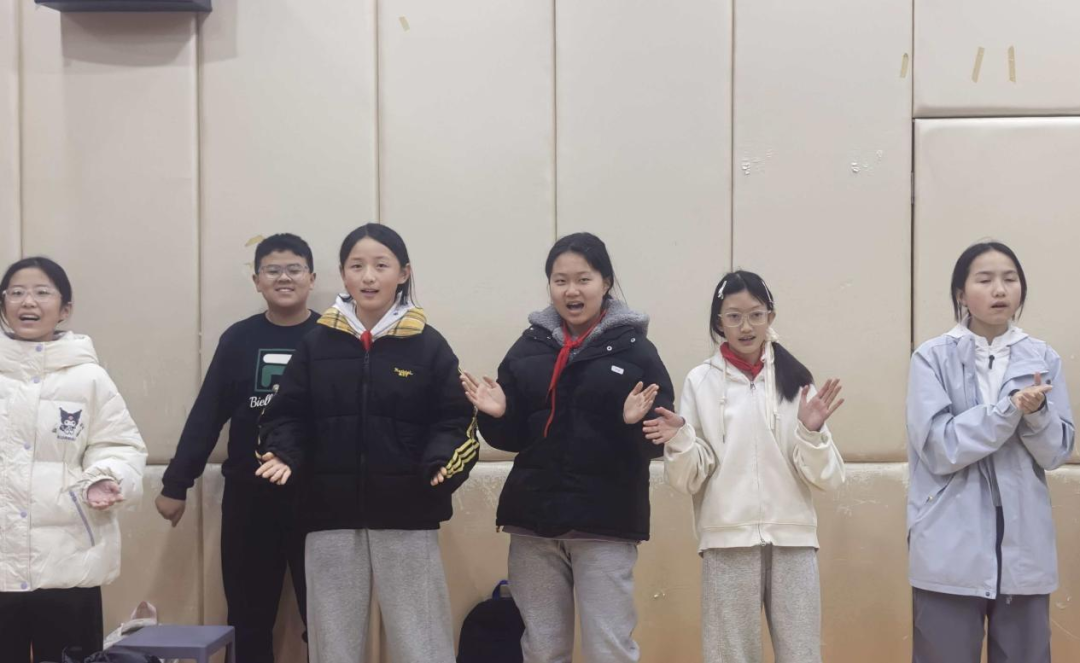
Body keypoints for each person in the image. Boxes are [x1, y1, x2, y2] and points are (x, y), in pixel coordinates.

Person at [257, 223, 477, 663]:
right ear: (343, 274)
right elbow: (285, 414)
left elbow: (456, 419)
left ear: (403, 273)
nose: (369, 277)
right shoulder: (316, 344)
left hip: (408, 514)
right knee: (332, 646)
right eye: (357, 266)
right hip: (328, 515)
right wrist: (285, 452)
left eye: (381, 265)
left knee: (422, 644)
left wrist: (441, 461)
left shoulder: (429, 346)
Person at [462, 232, 673, 663]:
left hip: (605, 523)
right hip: (533, 522)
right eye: (560, 281)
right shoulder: (529, 346)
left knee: (609, 648)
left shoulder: (636, 350)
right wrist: (498, 415)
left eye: (583, 279)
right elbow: (512, 439)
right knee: (542, 648)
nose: (571, 291)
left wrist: (633, 424)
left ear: (605, 282)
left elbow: (656, 439)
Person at [649, 270, 845, 663]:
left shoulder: (795, 380)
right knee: (729, 656)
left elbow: (828, 477)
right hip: (726, 542)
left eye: (756, 315)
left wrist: (811, 432)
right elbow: (686, 479)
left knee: (802, 654)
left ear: (770, 316)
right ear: (718, 322)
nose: (746, 326)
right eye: (734, 316)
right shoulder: (700, 382)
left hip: (794, 540)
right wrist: (681, 439)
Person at [906, 241, 1074, 663]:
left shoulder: (1043, 358)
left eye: (1010, 279)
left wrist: (1036, 415)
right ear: (961, 294)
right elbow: (940, 447)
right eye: (985, 280)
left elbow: (1056, 452)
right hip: (949, 543)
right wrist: (1008, 411)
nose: (1000, 289)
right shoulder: (931, 357)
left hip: (1024, 544)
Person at [156, 233, 319, 662]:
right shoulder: (239, 339)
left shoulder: (331, 337)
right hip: (250, 496)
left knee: (325, 617)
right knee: (248, 617)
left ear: (312, 278)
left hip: (317, 497)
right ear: (257, 281)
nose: (284, 278)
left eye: (294, 269)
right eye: (273, 270)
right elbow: (207, 413)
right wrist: (176, 484)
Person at [0, 256, 147, 663]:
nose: (28, 301)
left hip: (68, 561)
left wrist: (107, 476)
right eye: (16, 293)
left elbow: (120, 446)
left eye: (41, 292)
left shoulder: (89, 378)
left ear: (65, 308)